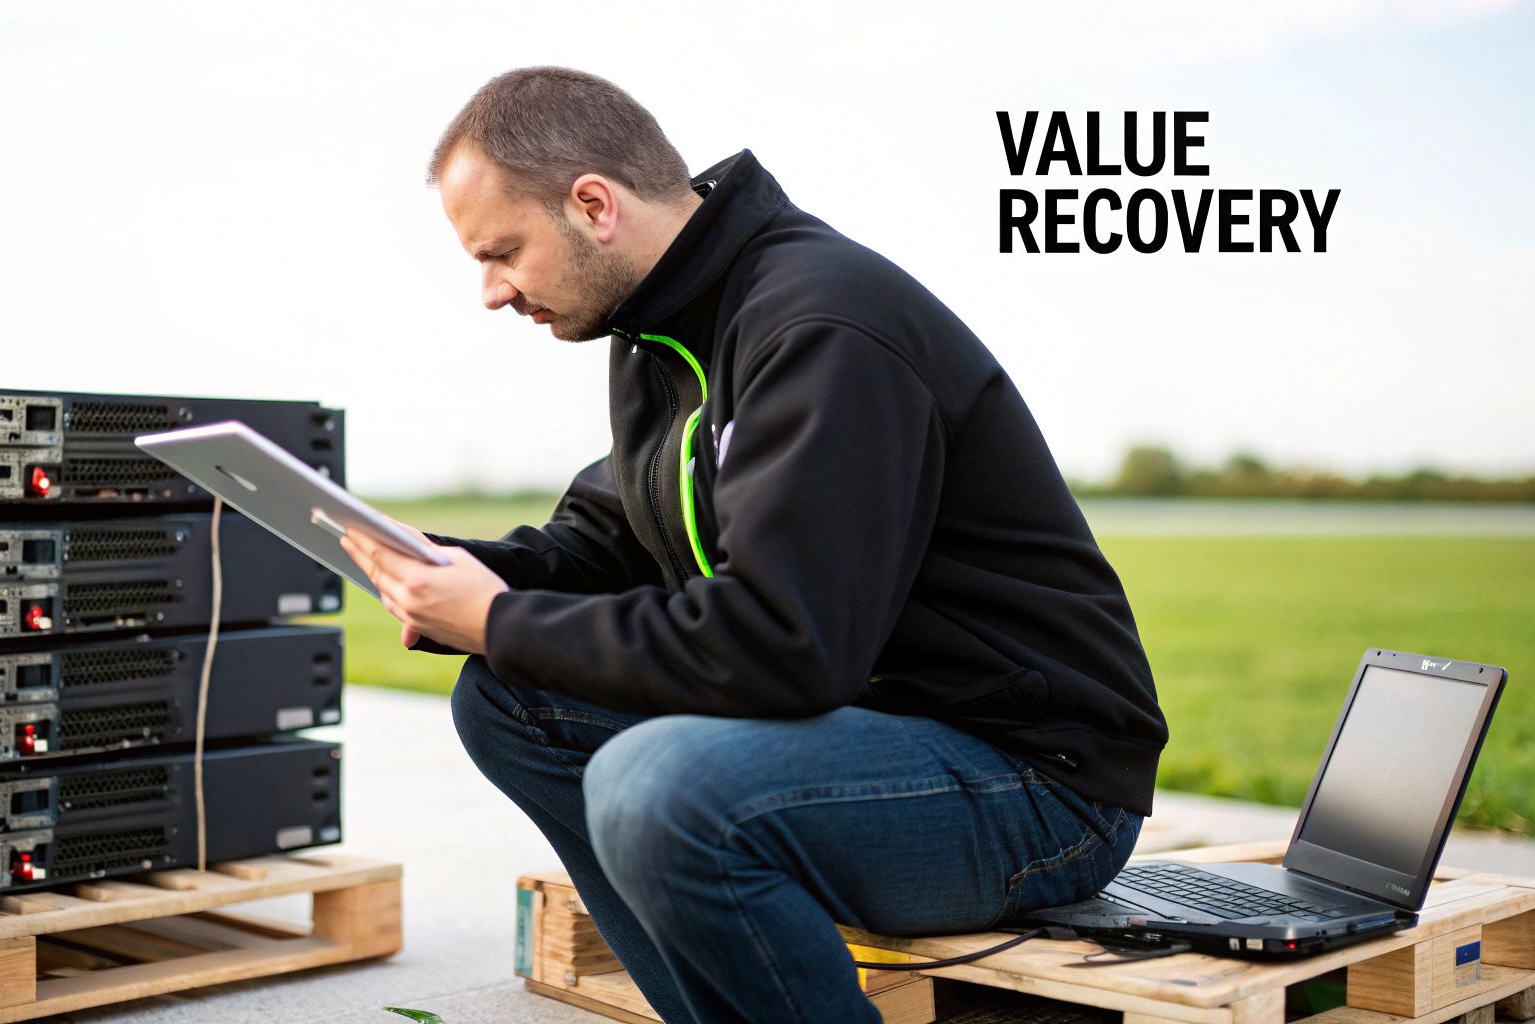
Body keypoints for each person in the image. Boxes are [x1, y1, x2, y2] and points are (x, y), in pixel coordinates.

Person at [339, 66, 1169, 1024]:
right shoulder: (661, 327)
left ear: (594, 206)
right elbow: (608, 537)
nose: (492, 291)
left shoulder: (822, 324)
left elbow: (784, 646)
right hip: (864, 738)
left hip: (1036, 783)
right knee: (508, 700)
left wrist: (498, 618)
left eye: (503, 252)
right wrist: (442, 568)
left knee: (661, 789)